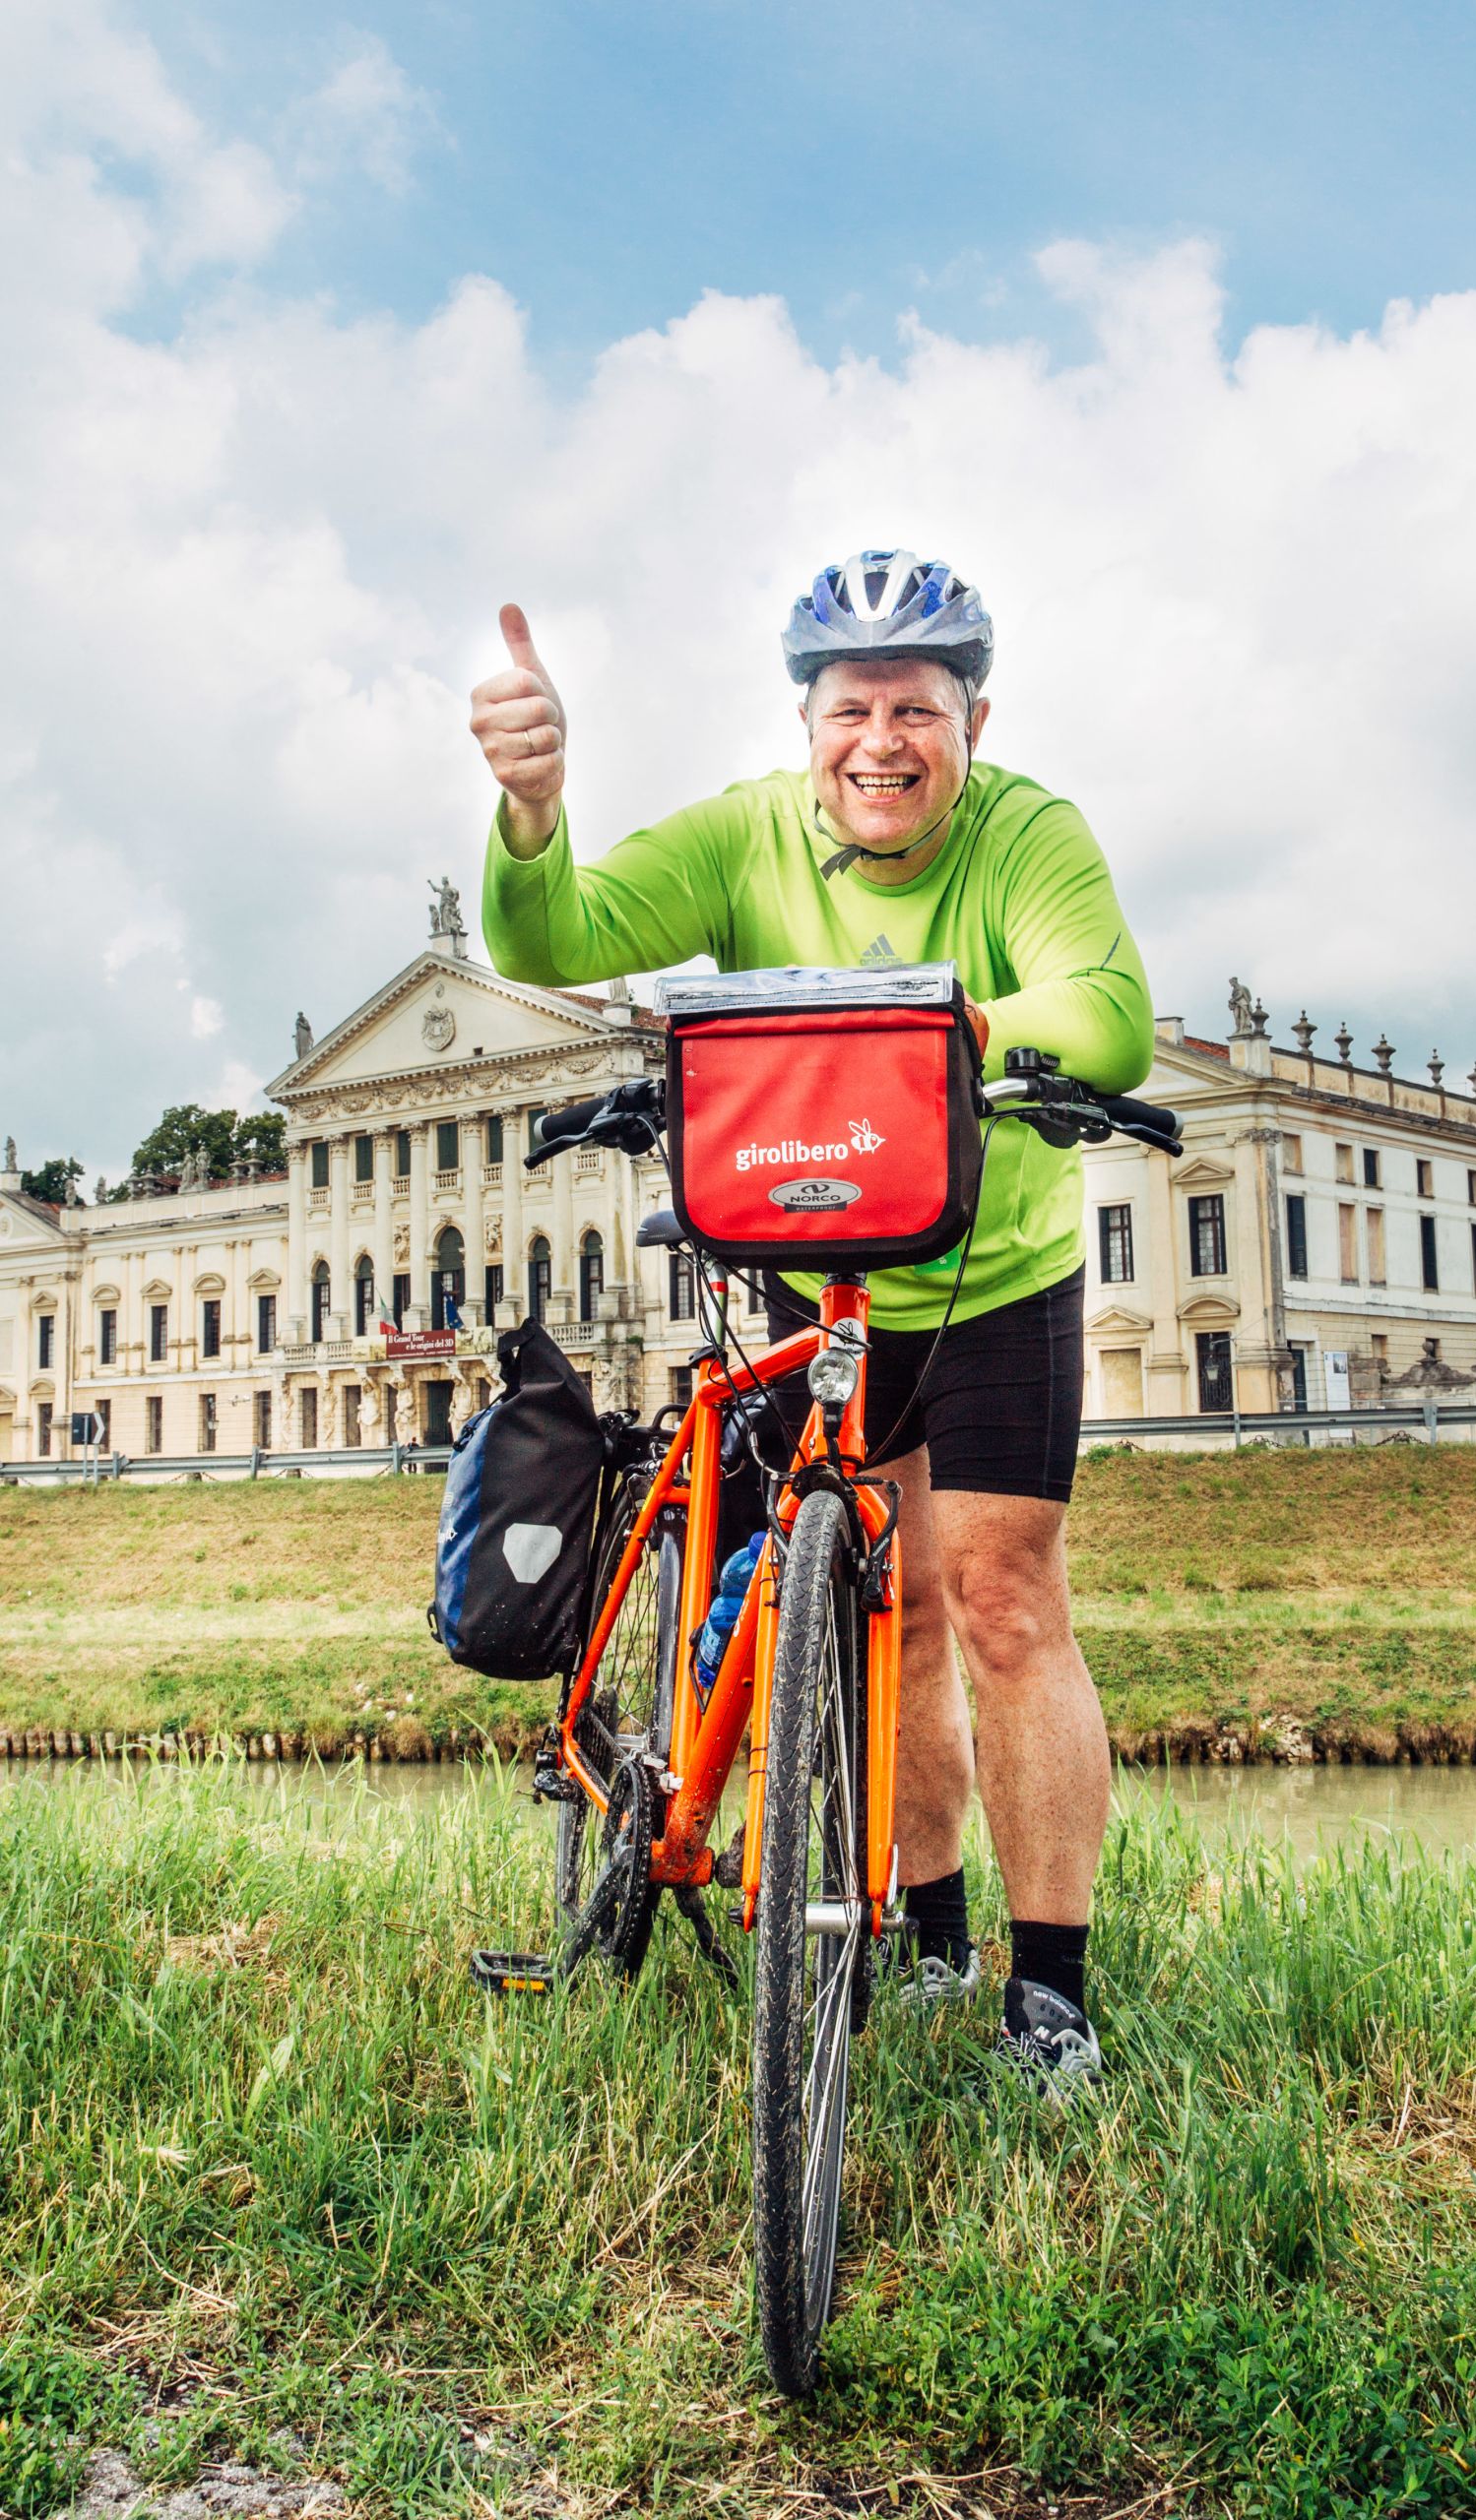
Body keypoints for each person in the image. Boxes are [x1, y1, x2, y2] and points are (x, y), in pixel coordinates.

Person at [471, 550, 1153, 2088]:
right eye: (853, 708)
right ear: (807, 721)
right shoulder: (742, 833)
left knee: (1001, 1602)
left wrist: (939, 1031)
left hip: (994, 1264)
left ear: (973, 719)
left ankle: (1049, 1988)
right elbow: (550, 939)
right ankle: (923, 1934)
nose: (883, 743)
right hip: (813, 1255)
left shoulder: (1029, 835)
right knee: (881, 1613)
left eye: (919, 707)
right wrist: (531, 810)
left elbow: (1105, 1007)